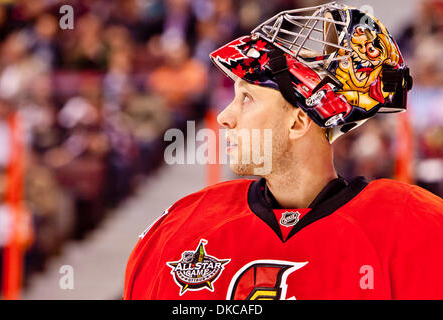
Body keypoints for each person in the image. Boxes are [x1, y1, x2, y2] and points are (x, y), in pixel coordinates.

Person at [123, 3, 443, 300]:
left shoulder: (416, 231)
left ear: (299, 121)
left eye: (247, 98)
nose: (225, 117)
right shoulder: (179, 228)